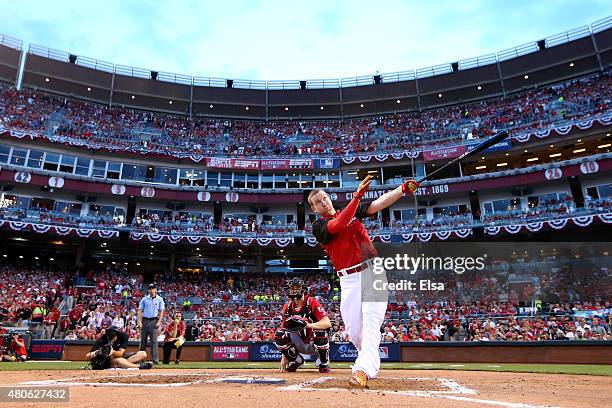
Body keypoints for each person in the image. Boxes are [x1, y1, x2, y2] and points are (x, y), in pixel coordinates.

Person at [309, 175, 419, 388]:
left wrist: (402, 189)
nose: (323, 203)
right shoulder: (319, 227)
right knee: (354, 332)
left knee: (370, 324)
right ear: (314, 209)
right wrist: (357, 196)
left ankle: (363, 370)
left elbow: (378, 204)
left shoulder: (351, 210)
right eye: (318, 202)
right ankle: (366, 358)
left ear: (330, 199)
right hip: (348, 280)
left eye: (325, 198)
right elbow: (337, 226)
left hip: (372, 272)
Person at [274, 278, 332, 373]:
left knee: (320, 333)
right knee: (279, 335)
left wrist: (308, 325)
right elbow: (285, 328)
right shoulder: (287, 307)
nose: (294, 290)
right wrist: (284, 356)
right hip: (299, 341)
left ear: (303, 289)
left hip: (313, 340)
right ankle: (297, 360)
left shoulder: (311, 302)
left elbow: (327, 323)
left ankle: (323, 362)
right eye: (292, 288)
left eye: (297, 288)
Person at [85, 326, 152, 370]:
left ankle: (124, 365)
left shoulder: (123, 336)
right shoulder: (102, 339)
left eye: (113, 337)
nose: (112, 340)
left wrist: (112, 352)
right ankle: (139, 366)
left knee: (143, 353)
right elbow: (87, 356)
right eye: (110, 338)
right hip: (109, 361)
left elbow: (120, 353)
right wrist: (97, 352)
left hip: (120, 357)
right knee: (119, 360)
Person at [137, 283, 165, 365]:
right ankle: (140, 359)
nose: (151, 290)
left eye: (153, 288)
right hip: (145, 320)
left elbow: (161, 311)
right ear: (148, 290)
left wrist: (159, 322)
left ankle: (155, 360)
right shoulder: (144, 299)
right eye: (150, 289)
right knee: (143, 341)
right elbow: (139, 310)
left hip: (153, 321)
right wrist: (139, 321)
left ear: (156, 290)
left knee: (154, 341)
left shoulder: (160, 299)